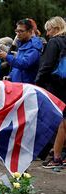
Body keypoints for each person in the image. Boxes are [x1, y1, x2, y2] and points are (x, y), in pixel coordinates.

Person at [36, 16, 66, 167]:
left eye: (48, 30)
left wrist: (37, 83)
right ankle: (58, 153)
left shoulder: (54, 42)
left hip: (55, 86)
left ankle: (56, 155)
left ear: (55, 28)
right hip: (64, 85)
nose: (47, 34)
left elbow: (46, 66)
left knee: (59, 121)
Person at [0, 19, 43, 83]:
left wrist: (7, 56)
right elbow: (17, 67)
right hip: (18, 85)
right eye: (17, 31)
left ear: (30, 31)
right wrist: (10, 76)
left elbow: (24, 63)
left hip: (26, 87)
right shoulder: (22, 44)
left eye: (21, 31)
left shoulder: (34, 47)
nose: (18, 34)